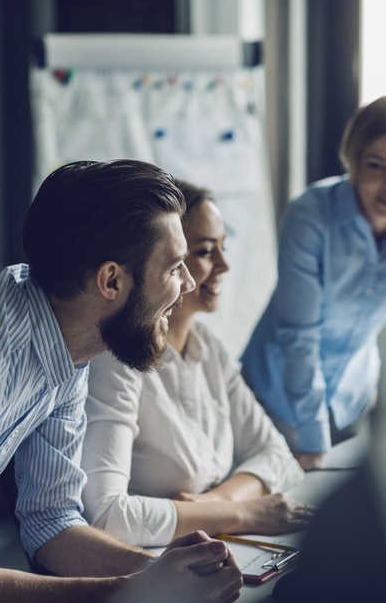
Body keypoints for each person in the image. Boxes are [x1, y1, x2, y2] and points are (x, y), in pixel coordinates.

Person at [0, 160, 244, 603]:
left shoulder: (71, 346)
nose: (190, 282)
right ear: (111, 280)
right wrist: (136, 590)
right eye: (174, 267)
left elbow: (52, 521)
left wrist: (165, 571)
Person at [80, 180, 314, 548]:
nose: (223, 265)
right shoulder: (117, 360)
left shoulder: (208, 348)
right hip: (149, 559)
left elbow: (277, 455)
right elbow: (107, 519)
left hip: (211, 541)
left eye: (223, 247)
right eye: (206, 251)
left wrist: (214, 503)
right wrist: (244, 512)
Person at [242, 95, 386, 471]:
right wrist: (313, 440)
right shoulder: (311, 215)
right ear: (354, 161)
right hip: (275, 401)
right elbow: (300, 335)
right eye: (377, 166)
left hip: (352, 399)